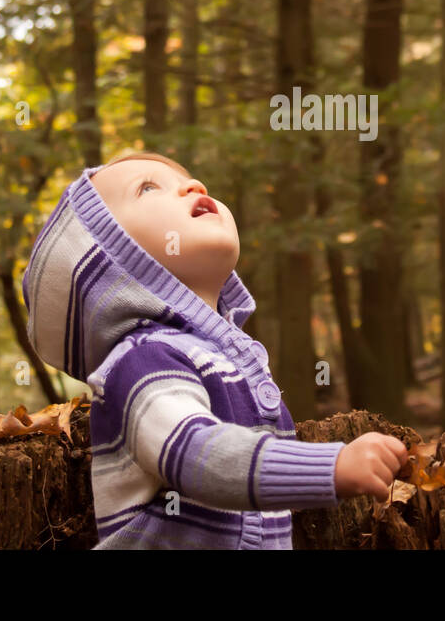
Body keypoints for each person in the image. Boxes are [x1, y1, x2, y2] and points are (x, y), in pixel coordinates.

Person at [22, 151, 408, 548]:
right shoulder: (143, 360)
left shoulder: (225, 361)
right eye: (149, 188)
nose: (194, 186)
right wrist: (330, 468)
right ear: (109, 259)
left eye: (187, 181)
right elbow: (193, 453)